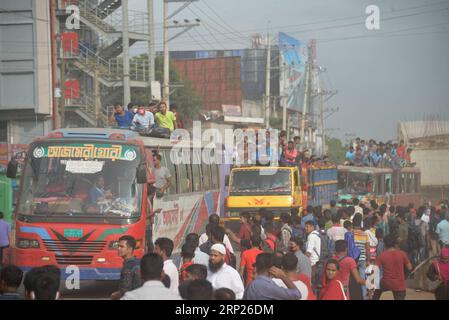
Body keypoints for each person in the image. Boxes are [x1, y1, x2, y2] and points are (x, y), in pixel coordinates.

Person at [373, 234, 413, 300]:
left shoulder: (381, 256)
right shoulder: (402, 254)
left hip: (386, 283)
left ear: (385, 244)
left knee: (376, 291)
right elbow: (410, 267)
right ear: (395, 244)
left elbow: (374, 270)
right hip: (400, 285)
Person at [110, 235, 141, 300]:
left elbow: (125, 291)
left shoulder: (128, 266)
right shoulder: (138, 262)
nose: (118, 249)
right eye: (118, 246)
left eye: (121, 247)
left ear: (130, 249)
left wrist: (114, 296)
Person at [352, 213, 370, 299]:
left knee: (351, 279)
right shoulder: (365, 234)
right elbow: (367, 249)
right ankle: (364, 297)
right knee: (363, 280)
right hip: (362, 259)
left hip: (353, 260)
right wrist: (368, 260)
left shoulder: (351, 233)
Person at [304, 220, 321, 289]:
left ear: (312, 227)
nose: (305, 228)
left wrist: (302, 260)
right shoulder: (317, 235)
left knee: (310, 284)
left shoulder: (311, 236)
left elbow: (308, 252)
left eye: (307, 226)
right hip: (316, 262)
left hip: (312, 263)